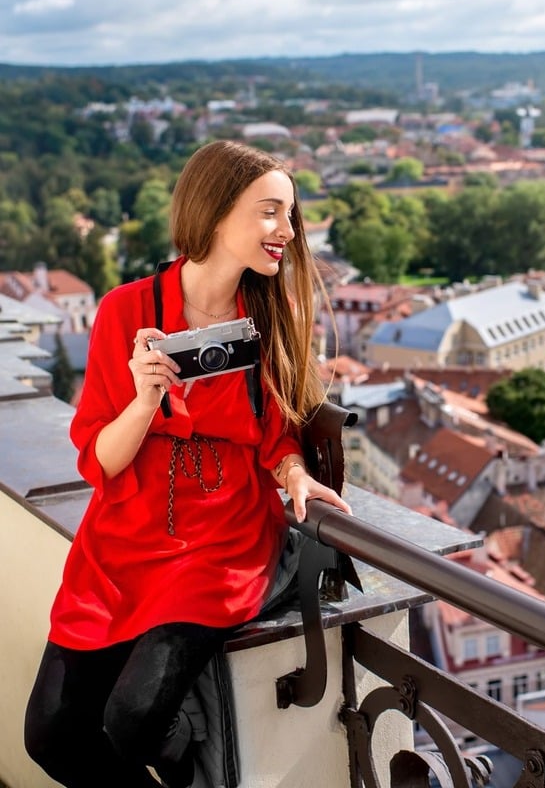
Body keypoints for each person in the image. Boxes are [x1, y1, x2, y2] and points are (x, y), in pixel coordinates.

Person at [24, 140, 352, 788]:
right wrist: (145, 399)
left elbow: (277, 437)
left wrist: (294, 476)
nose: (287, 230)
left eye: (289, 215)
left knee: (134, 720)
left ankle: (182, 753)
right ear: (215, 210)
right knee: (51, 735)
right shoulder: (126, 311)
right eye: (270, 212)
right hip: (122, 540)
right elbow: (99, 462)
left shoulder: (270, 316)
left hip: (221, 543)